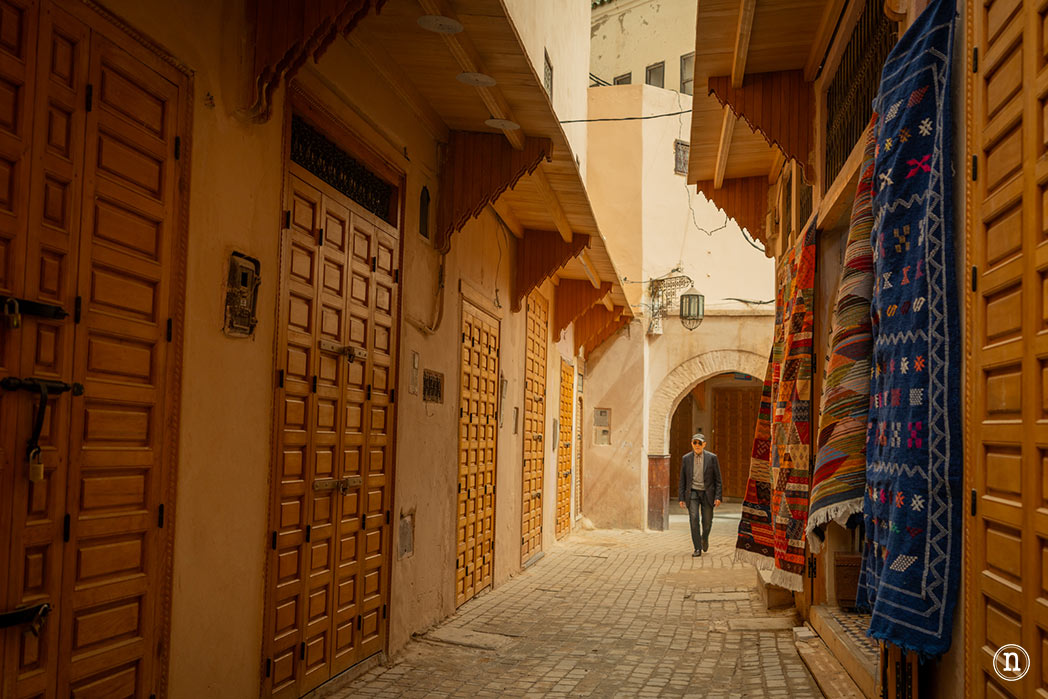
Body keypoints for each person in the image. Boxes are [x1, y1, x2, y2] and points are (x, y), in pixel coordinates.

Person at [678, 433, 722, 557]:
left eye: (699, 443)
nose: (697, 445)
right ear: (692, 444)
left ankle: (705, 538)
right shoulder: (686, 458)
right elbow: (682, 479)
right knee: (694, 519)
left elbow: (718, 479)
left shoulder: (712, 458)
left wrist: (718, 496)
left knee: (707, 522)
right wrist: (681, 497)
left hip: (708, 493)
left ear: (704, 444)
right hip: (692, 493)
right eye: (695, 443)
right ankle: (697, 548)